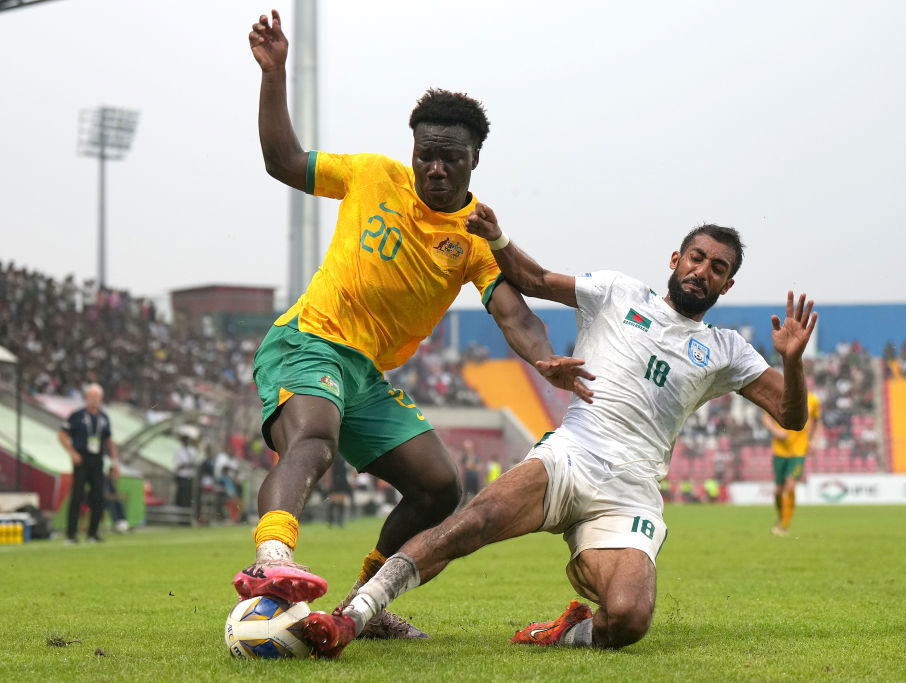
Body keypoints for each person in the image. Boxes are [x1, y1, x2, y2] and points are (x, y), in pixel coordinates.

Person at [305, 208, 817, 656]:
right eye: (697, 258)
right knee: (473, 522)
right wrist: (498, 238)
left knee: (628, 619)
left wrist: (791, 364)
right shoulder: (618, 292)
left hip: (631, 492)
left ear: (727, 286)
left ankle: (569, 632)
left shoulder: (725, 348)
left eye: (717, 268)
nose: (702, 271)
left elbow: (791, 416)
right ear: (675, 260)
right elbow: (534, 279)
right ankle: (355, 613)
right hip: (572, 455)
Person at [238, 10, 593, 645]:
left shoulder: (476, 237)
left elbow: (513, 313)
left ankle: (362, 603)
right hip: (308, 339)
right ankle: (272, 561)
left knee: (439, 486)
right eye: (425, 155)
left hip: (366, 374)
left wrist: (544, 362)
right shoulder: (372, 175)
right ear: (412, 152)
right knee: (313, 442)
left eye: (449, 160)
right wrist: (274, 74)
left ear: (474, 159)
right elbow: (283, 160)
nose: (434, 169)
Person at [58, 383, 119, 543]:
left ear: (101, 399)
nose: (95, 400)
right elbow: (62, 435)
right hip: (81, 459)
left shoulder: (104, 418)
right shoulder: (77, 415)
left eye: (97, 397)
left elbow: (109, 440)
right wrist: (72, 452)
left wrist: (115, 461)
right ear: (86, 397)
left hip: (97, 460)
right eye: (92, 396)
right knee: (77, 496)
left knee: (98, 497)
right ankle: (71, 534)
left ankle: (93, 533)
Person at [761, 389, 820, 536]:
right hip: (780, 451)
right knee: (778, 491)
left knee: (790, 484)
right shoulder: (780, 397)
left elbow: (817, 423)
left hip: (799, 451)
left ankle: (784, 525)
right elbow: (766, 418)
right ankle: (782, 517)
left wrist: (814, 441)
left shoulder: (813, 400)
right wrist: (776, 431)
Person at [173, 434, 199, 509]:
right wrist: (186, 465)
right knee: (182, 495)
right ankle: (180, 510)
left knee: (189, 496)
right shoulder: (179, 452)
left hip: (190, 476)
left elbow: (195, 462)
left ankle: (187, 511)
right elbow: (178, 466)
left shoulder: (193, 450)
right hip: (182, 477)